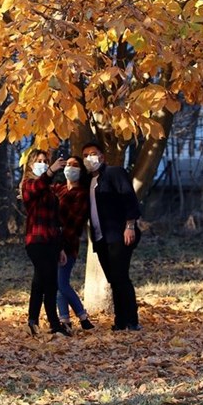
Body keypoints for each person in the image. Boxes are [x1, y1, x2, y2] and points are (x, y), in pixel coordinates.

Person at [81, 141, 142, 331]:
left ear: (102, 157)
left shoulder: (114, 173)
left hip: (120, 234)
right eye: (86, 155)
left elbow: (129, 198)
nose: (90, 158)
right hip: (100, 239)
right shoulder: (88, 181)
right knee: (113, 279)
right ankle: (120, 320)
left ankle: (131, 320)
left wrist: (130, 225)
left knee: (121, 277)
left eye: (93, 153)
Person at [19, 148, 71, 337]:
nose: (42, 163)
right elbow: (37, 187)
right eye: (38, 160)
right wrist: (51, 171)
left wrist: (61, 248)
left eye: (45, 160)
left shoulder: (49, 190)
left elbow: (56, 221)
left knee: (39, 282)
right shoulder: (28, 185)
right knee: (50, 283)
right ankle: (54, 323)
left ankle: (32, 321)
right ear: (31, 165)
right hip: (37, 241)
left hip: (52, 241)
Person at [52, 155, 94, 331]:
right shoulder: (59, 189)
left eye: (74, 165)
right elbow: (39, 188)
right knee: (57, 283)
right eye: (67, 164)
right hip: (53, 241)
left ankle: (83, 317)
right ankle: (65, 321)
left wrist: (61, 244)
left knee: (62, 283)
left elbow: (74, 223)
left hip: (68, 243)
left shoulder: (82, 194)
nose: (70, 167)